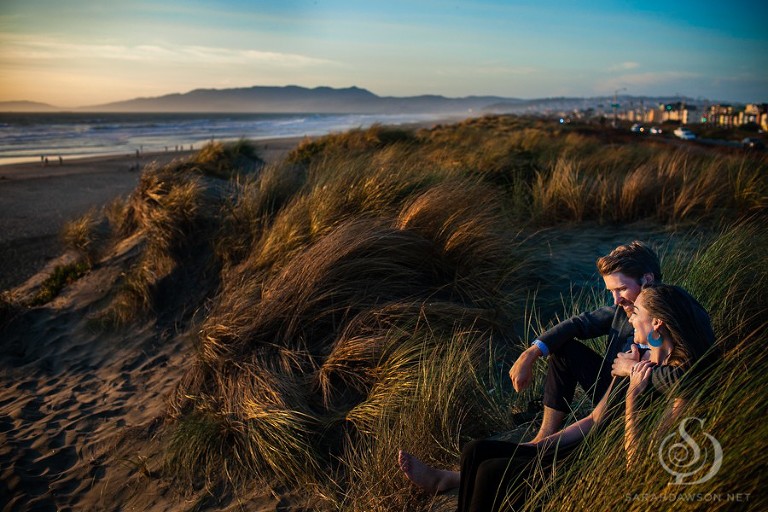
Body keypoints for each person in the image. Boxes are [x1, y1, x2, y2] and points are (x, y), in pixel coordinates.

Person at [398, 283, 716, 511]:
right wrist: (536, 448)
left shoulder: (676, 385)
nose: (629, 317)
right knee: (476, 450)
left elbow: (636, 464)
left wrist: (633, 394)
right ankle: (448, 482)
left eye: (637, 313)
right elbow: (594, 418)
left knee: (491, 471)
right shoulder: (638, 359)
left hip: (597, 463)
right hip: (580, 444)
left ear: (657, 323)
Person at [509, 241, 662, 442]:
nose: (616, 300)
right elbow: (579, 323)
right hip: (608, 393)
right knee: (565, 349)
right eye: (611, 291)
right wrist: (529, 354)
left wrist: (631, 368)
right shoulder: (623, 310)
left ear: (647, 279)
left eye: (622, 288)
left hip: (645, 403)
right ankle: (543, 437)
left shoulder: (673, 312)